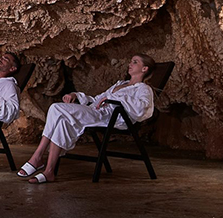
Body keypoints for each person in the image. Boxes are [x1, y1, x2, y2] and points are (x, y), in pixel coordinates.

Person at [17, 54, 156, 184]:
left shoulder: (143, 89)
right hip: (97, 111)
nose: (130, 64)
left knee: (55, 108)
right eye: (131, 61)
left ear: (144, 69)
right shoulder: (120, 83)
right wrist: (75, 95)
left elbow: (143, 109)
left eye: (135, 62)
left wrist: (117, 99)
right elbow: (96, 99)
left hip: (111, 117)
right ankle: (49, 171)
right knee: (62, 122)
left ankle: (37, 156)